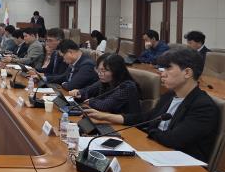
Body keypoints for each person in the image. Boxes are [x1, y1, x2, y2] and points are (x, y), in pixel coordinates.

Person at [84, 48, 219, 162]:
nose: (162, 74)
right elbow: (146, 117)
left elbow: (173, 139)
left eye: (168, 68)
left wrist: (150, 130)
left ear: (187, 73)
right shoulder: (169, 95)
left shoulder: (203, 106)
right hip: (157, 152)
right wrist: (105, 117)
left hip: (183, 165)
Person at [69, 54, 141, 114]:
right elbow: (88, 90)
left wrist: (90, 101)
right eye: (98, 70)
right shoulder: (106, 80)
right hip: (108, 119)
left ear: (117, 71)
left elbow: (105, 106)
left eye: (104, 71)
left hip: (126, 125)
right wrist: (79, 93)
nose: (100, 74)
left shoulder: (127, 86)